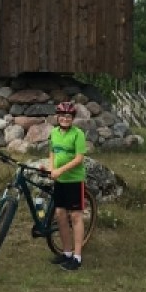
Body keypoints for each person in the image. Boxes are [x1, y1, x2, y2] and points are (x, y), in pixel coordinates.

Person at [48, 100, 87, 271]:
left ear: (72, 118)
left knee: (76, 216)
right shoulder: (54, 133)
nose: (65, 119)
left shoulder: (78, 134)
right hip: (60, 181)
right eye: (62, 116)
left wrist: (61, 170)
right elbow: (52, 152)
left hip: (74, 180)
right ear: (57, 117)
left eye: (68, 116)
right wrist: (51, 169)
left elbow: (79, 158)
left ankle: (77, 257)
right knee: (60, 214)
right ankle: (66, 252)